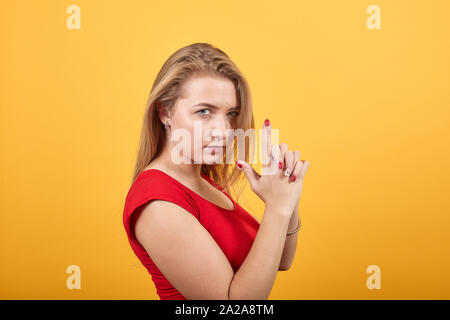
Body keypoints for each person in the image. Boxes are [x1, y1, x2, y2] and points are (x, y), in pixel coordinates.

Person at [122, 42, 310, 300]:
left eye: (231, 113)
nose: (224, 130)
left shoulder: (202, 180)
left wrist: (287, 195)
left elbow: (282, 260)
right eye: (204, 111)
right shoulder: (158, 202)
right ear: (165, 111)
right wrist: (277, 207)